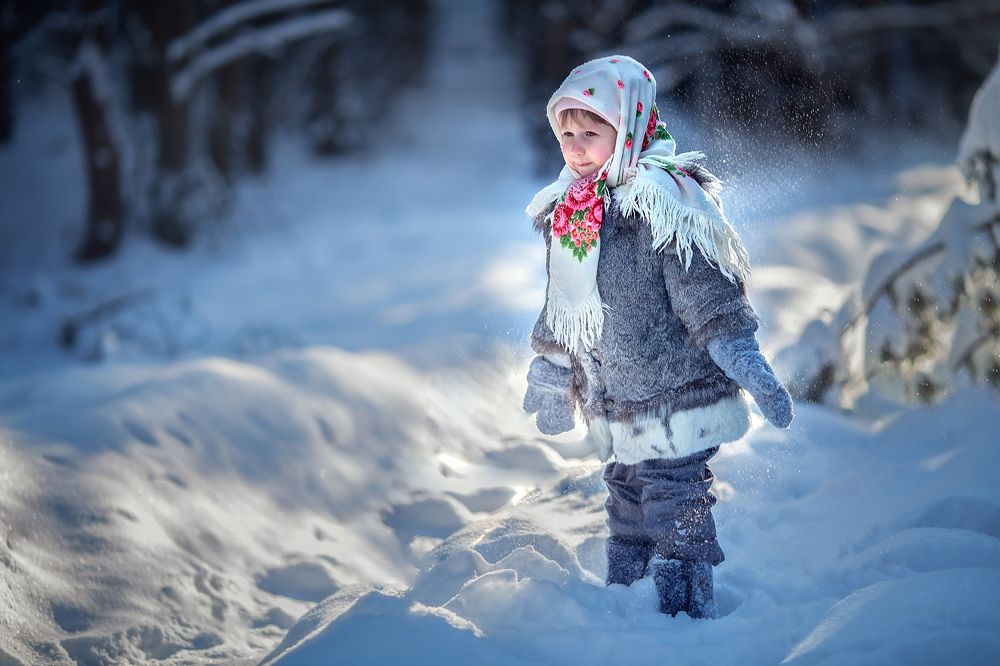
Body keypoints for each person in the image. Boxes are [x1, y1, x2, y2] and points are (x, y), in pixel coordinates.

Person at [522, 55, 793, 619]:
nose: (575, 146)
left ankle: (683, 604)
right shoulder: (573, 213)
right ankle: (626, 594)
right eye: (566, 133)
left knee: (674, 498)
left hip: (677, 391)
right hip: (613, 397)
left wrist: (743, 358)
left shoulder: (666, 204)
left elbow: (709, 297)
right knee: (624, 494)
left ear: (627, 128)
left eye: (590, 132)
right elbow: (563, 309)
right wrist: (551, 372)